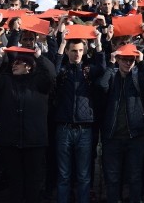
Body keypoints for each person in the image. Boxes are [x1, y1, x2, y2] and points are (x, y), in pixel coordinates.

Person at [0, 46, 56, 203]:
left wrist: (40, 57)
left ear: (29, 66)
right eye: (13, 62)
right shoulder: (6, 80)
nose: (14, 64)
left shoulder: (39, 82)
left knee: (33, 185)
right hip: (10, 143)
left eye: (18, 62)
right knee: (15, 185)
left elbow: (51, 75)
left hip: (34, 142)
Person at [97, 44, 144, 203]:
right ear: (117, 59)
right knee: (112, 179)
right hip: (112, 136)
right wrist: (110, 65)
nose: (128, 63)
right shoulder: (111, 75)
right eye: (124, 60)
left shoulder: (138, 77)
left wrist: (142, 63)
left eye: (131, 60)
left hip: (135, 136)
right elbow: (101, 87)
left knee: (135, 178)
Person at [54, 35, 105, 203]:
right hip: (64, 128)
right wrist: (61, 45)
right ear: (68, 51)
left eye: (81, 51)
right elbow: (53, 72)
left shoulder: (88, 70)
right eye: (74, 51)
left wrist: (98, 45)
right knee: (63, 176)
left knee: (84, 176)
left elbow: (103, 69)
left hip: (85, 129)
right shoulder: (62, 71)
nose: (77, 54)